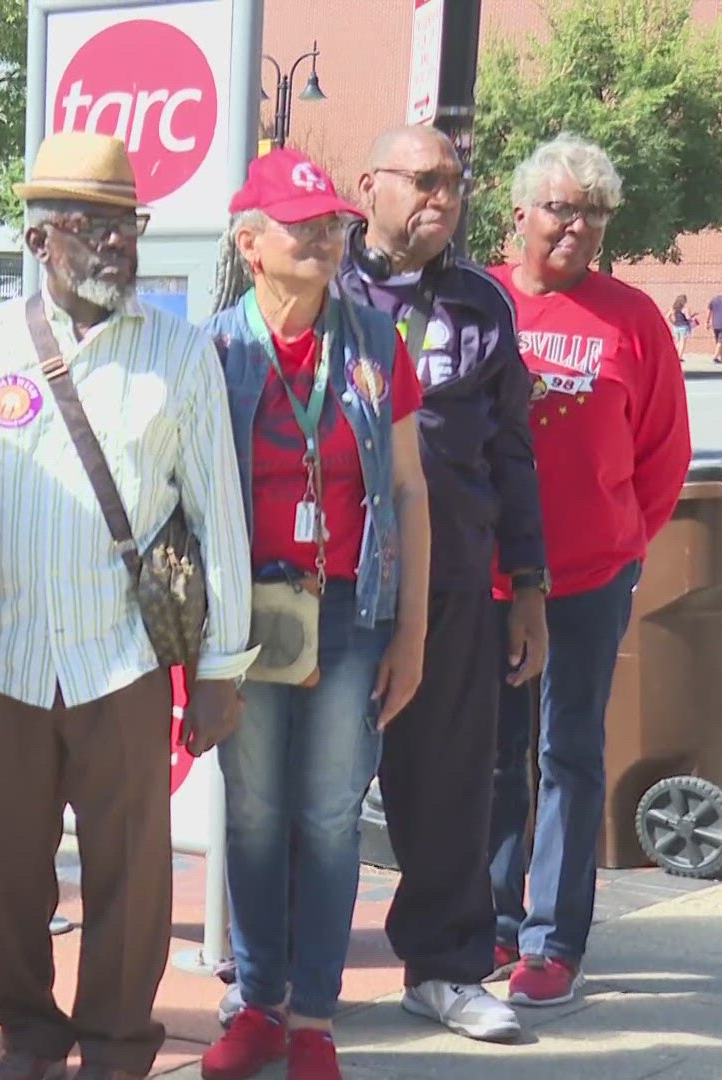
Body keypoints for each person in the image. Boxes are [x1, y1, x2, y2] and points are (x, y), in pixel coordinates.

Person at [0, 132, 253, 1080]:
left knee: (131, 874)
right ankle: (27, 1034)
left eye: (129, 223)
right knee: (4, 873)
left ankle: (116, 1043)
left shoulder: (179, 354)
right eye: (92, 225)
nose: (117, 243)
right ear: (40, 241)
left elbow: (216, 514)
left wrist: (223, 668)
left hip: (124, 658)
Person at [199, 148, 431, 1080]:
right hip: (245, 617)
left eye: (334, 222)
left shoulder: (377, 342)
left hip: (350, 614)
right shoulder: (213, 350)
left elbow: (410, 490)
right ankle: (258, 1003)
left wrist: (411, 633)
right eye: (305, 225)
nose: (328, 237)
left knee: (331, 817)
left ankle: (314, 1020)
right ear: (250, 243)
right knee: (254, 814)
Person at [339, 125, 546, 1043]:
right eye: (422, 180)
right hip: (328, 585)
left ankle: (446, 969)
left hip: (458, 577)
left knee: (449, 785)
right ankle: (281, 982)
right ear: (369, 185)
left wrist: (530, 585)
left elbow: (511, 449)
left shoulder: (483, 305)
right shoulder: (317, 282)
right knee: (311, 792)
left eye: (455, 184)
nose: (443, 198)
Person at [489, 134, 691, 1007]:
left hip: (588, 578)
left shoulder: (633, 319)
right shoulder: (480, 302)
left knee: (566, 752)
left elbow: (664, 452)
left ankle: (552, 941)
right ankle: (489, 923)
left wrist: (622, 544)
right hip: (487, 579)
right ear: (520, 216)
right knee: (493, 757)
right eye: (563, 209)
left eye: (596, 213)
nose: (579, 227)